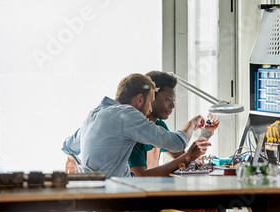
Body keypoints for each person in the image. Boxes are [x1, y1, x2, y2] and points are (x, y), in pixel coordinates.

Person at [62, 73, 208, 178]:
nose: (150, 109)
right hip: (123, 202)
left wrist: (70, 158)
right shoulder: (127, 114)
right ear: (139, 99)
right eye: (150, 102)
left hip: (103, 202)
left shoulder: (94, 115)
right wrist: (193, 123)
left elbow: (68, 145)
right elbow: (178, 143)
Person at [128, 71, 220, 177]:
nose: (172, 105)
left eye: (173, 100)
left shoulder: (159, 125)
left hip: (151, 188)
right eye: (168, 99)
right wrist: (193, 124)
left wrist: (205, 133)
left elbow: (182, 157)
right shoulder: (135, 130)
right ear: (151, 97)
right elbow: (140, 177)